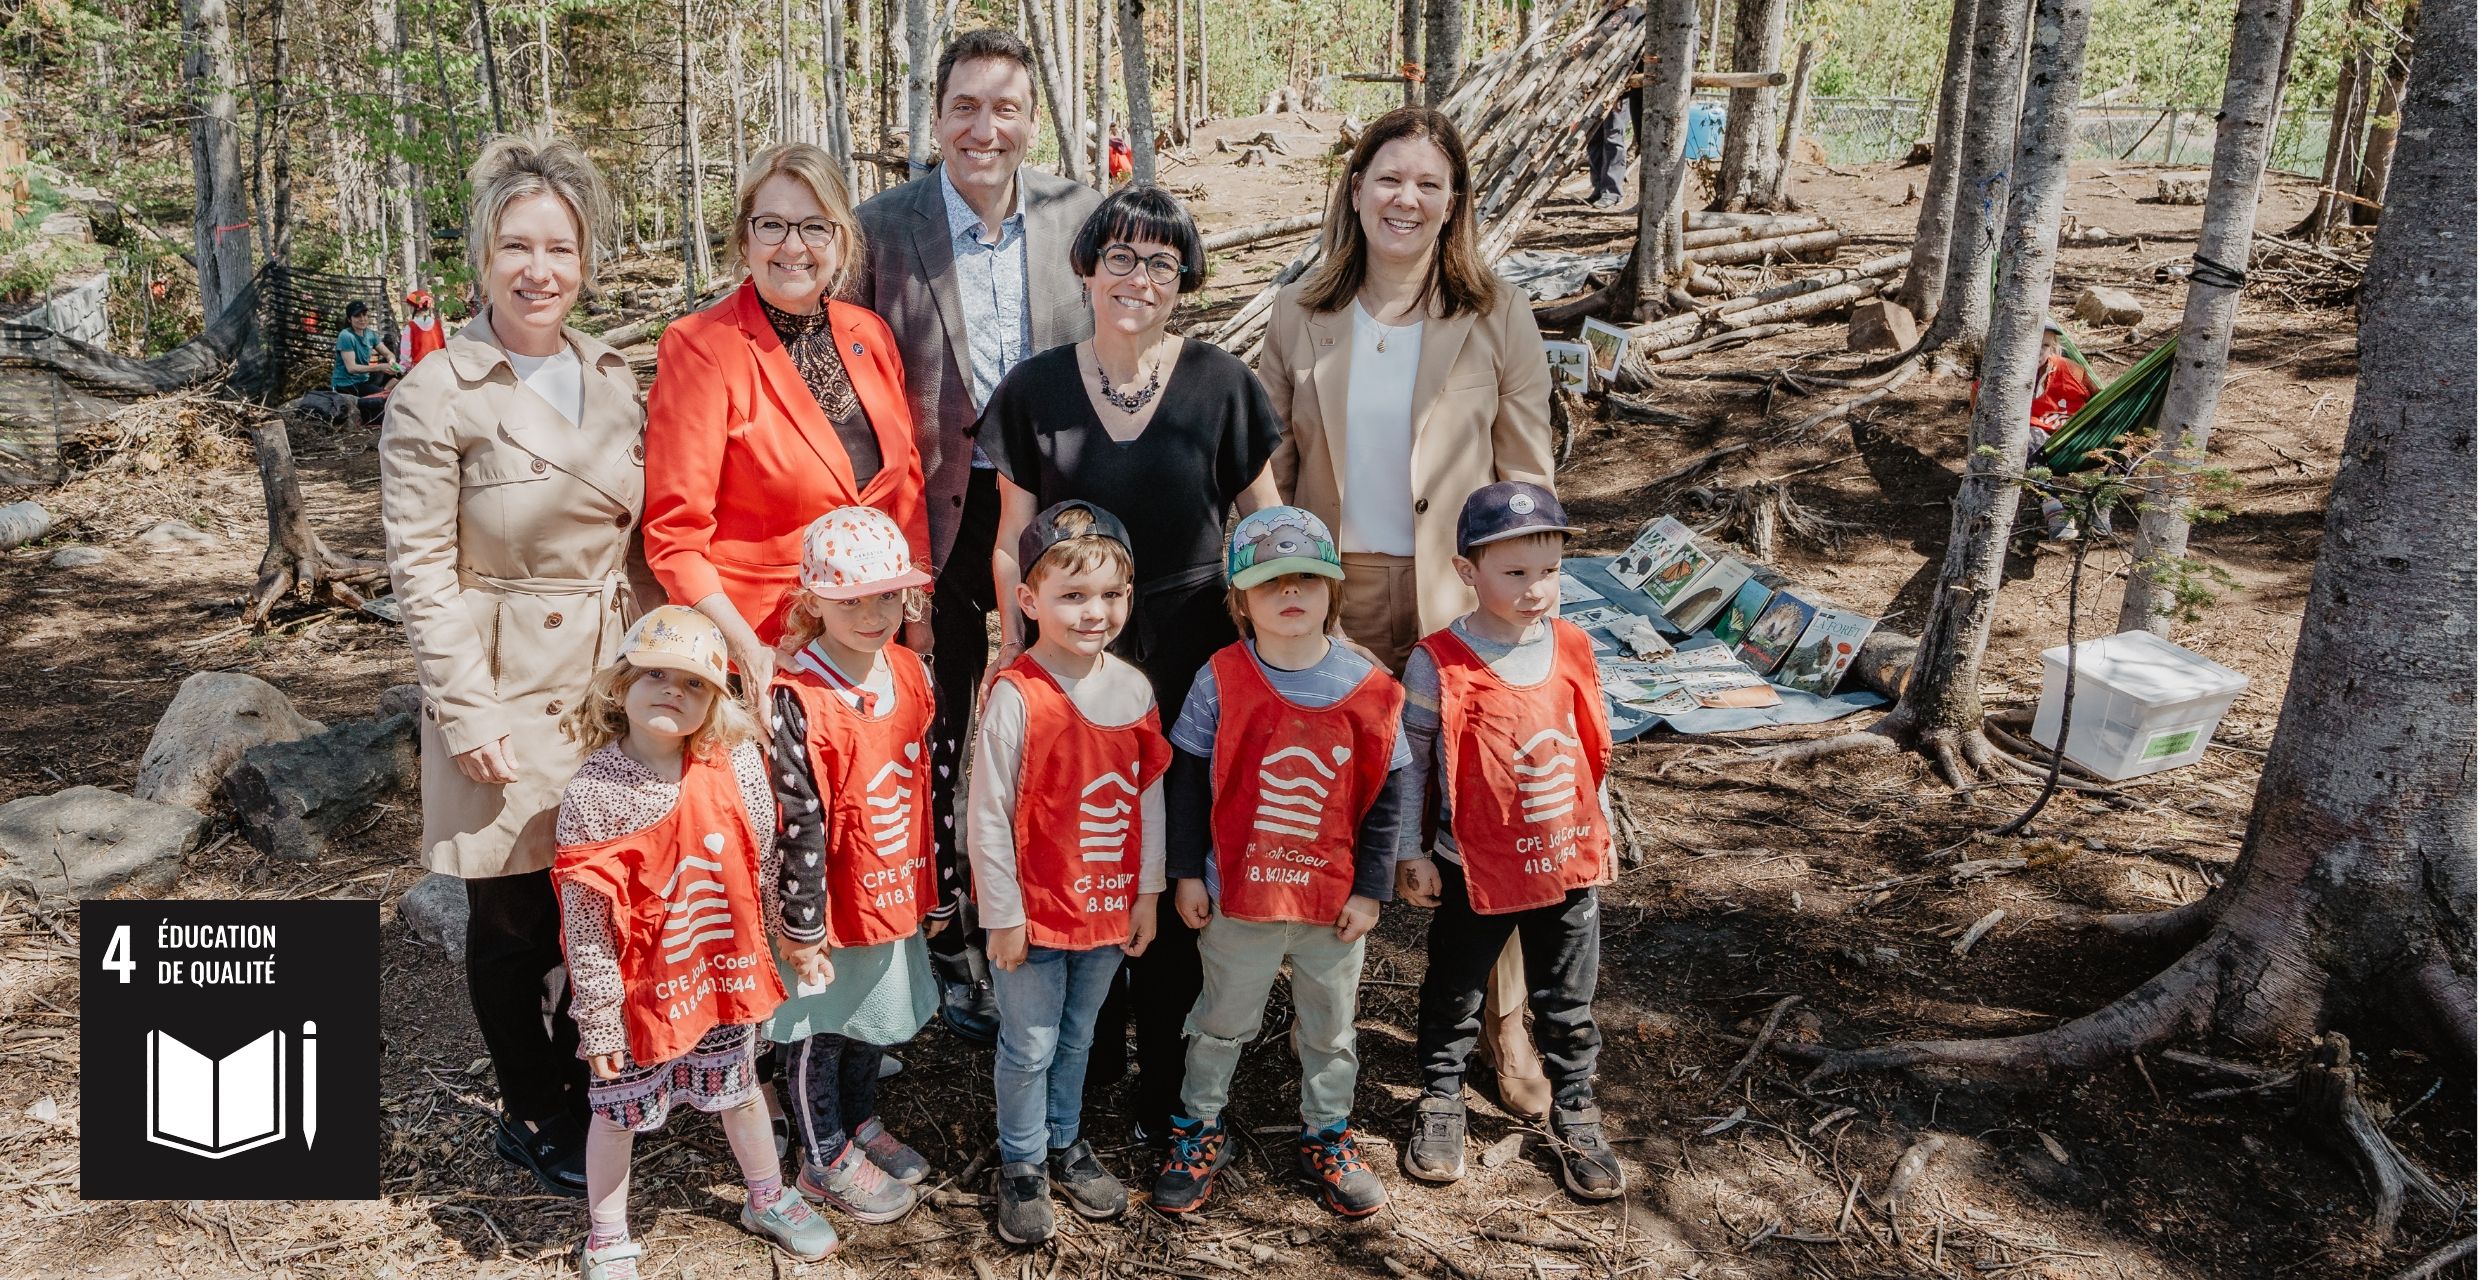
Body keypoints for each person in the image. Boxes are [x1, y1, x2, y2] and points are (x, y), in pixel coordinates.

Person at [1259, 104, 1558, 1121]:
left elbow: (1526, 472)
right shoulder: (1300, 311)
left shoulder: (1495, 313)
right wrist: (1286, 590)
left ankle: (1501, 1022)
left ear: (1453, 201)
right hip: (1335, 597)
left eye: (1428, 183)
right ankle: (1313, 1020)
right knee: (1325, 806)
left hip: (1453, 601)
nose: (1406, 198)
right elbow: (1270, 468)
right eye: (1388, 177)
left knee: (1479, 814)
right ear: (1354, 189)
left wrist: (1519, 601)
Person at [380, 132, 654, 1198]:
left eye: (560, 247)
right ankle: (534, 1103)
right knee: (511, 908)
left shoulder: (612, 372)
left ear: (586, 259)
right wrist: (464, 708)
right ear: (482, 257)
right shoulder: (437, 389)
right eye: (516, 247)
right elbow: (420, 566)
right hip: (497, 673)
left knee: (594, 888)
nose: (539, 269)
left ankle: (598, 1072)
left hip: (607, 675)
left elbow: (636, 538)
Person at [979, 183, 1282, 1142]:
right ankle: (1086, 1051)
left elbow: (1264, 526)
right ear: (1087, 267)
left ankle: (1167, 1073)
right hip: (1072, 653)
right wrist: (1016, 648)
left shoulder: (1222, 385)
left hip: (1193, 646)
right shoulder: (1034, 390)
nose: (1137, 277)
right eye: (1120, 256)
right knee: (1074, 843)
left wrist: (1276, 646)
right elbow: (1009, 538)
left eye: (1160, 261)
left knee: (1170, 841)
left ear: (1184, 278)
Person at [854, 29, 1102, 1045]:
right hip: (930, 523)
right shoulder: (880, 229)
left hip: (1055, 519)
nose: (982, 127)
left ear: (1029, 118)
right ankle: (943, 940)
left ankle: (1055, 923)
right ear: (936, 112)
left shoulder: (1079, 216)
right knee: (935, 734)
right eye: (964, 105)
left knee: (1048, 730)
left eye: (1003, 107)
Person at [550, 604, 836, 1277]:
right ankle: (607, 1232)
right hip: (638, 995)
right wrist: (598, 1020)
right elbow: (586, 923)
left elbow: (762, 861)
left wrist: (781, 942)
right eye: (656, 675)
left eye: (695, 683)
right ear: (620, 684)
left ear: (716, 702)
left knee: (739, 1087)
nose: (673, 692)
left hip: (719, 975)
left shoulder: (736, 766)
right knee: (617, 1113)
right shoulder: (594, 793)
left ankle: (767, 1195)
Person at [1148, 507, 1411, 1220]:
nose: (1290, 594)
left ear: (1332, 591)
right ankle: (1198, 1130)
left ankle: (1327, 1134)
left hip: (1333, 903)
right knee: (1220, 1020)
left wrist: (1372, 889)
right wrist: (1187, 872)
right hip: (1241, 893)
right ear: (1241, 601)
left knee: (1330, 1027)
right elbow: (1189, 777)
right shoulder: (1221, 678)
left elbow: (1390, 793)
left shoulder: (1371, 689)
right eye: (1271, 584)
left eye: (1306, 580)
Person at [1395, 482, 1626, 1203]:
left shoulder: (1576, 646)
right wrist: (1413, 851)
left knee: (1567, 997)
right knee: (1456, 989)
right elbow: (1413, 766)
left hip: (1565, 863)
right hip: (1473, 868)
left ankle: (1577, 1107)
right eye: (1515, 573)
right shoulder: (1437, 662)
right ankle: (1440, 1098)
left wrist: (1604, 829)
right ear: (1468, 572)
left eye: (1549, 571)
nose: (1536, 590)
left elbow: (1591, 750)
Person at [644, 142, 930, 697]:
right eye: (772, 225)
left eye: (815, 226)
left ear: (840, 239)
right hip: (766, 654)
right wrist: (744, 649)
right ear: (744, 238)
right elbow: (675, 537)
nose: (794, 246)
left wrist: (918, 629)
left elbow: (906, 492)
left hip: (873, 649)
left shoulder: (869, 333)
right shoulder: (701, 348)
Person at [966, 501, 1168, 1245]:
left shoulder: (1136, 691)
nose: (1095, 613)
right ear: (1029, 601)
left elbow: (1148, 803)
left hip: (1108, 907)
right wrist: (1003, 914)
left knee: (1081, 1036)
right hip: (1035, 912)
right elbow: (986, 813)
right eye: (1073, 596)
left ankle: (1063, 1138)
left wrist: (1146, 892)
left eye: (1111, 595)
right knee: (1031, 1042)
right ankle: (1021, 1162)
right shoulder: (1017, 694)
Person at [765, 507, 944, 1226]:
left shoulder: (908, 667)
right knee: (822, 1026)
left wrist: (940, 883)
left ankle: (860, 1119)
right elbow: (796, 823)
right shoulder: (797, 699)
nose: (874, 614)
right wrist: (803, 927)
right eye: (851, 599)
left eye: (888, 596)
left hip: (894, 880)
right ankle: (823, 1154)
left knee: (875, 1014)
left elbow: (930, 781)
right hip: (830, 906)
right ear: (813, 602)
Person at [333, 300, 405, 395]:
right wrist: (379, 367)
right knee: (383, 398)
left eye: (364, 314)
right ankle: (383, 392)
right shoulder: (346, 336)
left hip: (364, 379)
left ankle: (385, 390)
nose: (362, 319)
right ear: (349, 319)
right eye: (357, 316)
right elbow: (351, 368)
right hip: (347, 383)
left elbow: (388, 353)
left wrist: (391, 361)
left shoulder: (370, 334)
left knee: (399, 375)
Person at [403, 288, 447, 367]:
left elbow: (405, 357)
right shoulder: (438, 325)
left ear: (413, 308)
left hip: (419, 371)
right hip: (439, 369)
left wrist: (402, 369)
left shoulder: (410, 327)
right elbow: (444, 347)